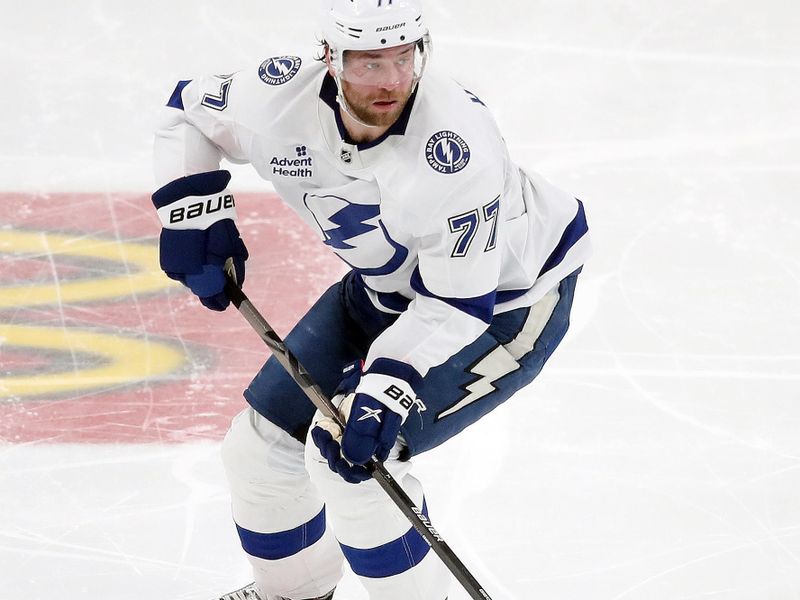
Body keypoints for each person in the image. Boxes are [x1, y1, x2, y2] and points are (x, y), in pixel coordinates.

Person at [151, 1, 591, 599]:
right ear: (330, 60)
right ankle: (292, 592)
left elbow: (458, 304)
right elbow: (189, 112)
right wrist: (191, 214)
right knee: (260, 449)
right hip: (386, 292)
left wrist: (387, 385)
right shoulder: (277, 97)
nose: (389, 80)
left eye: (403, 57)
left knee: (349, 465)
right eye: (368, 61)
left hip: (506, 306)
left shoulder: (456, 149)